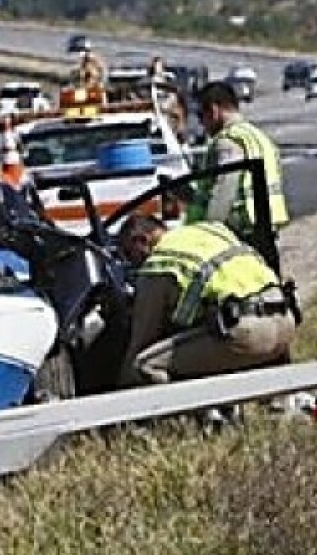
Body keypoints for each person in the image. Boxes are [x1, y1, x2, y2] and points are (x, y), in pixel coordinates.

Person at [116, 214, 296, 387]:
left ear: (140, 241)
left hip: (247, 334)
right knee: (204, 340)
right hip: (285, 323)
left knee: (143, 366)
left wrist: (117, 394)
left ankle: (190, 414)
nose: (132, 263)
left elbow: (141, 341)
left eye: (129, 254)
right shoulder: (211, 230)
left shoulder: (158, 264)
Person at [186, 80, 288, 242]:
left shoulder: (228, 140)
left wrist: (208, 234)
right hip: (266, 229)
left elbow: (224, 191)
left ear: (213, 110)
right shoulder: (258, 137)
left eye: (200, 116)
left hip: (240, 234)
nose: (201, 124)